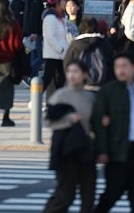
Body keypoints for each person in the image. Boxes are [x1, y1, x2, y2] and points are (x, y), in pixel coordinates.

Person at [93, 53, 134, 213]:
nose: (121, 70)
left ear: (133, 68)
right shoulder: (108, 92)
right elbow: (98, 123)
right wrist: (102, 150)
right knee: (112, 194)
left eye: (124, 66)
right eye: (117, 66)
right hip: (117, 153)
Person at [43, 60, 96, 213]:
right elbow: (47, 121)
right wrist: (68, 120)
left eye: (76, 72)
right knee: (65, 194)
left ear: (85, 74)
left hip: (86, 149)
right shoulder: (60, 95)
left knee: (88, 195)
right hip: (66, 150)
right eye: (69, 72)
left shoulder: (90, 97)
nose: (72, 75)